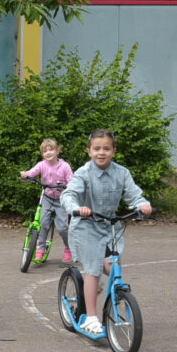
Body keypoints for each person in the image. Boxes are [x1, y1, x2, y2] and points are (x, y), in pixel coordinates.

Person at [60, 129, 153, 336]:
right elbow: (69, 194)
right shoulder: (83, 173)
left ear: (113, 151)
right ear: (89, 151)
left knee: (112, 266)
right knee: (93, 268)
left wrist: (143, 204)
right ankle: (91, 318)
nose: (101, 152)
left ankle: (106, 287)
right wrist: (76, 207)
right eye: (96, 149)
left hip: (110, 225)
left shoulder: (122, 173)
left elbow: (134, 195)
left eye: (106, 148)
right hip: (86, 225)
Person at [20, 138, 74, 262]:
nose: (48, 153)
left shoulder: (64, 166)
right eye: (45, 151)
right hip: (47, 197)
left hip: (62, 199)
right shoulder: (42, 165)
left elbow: (71, 180)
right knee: (43, 223)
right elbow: (32, 172)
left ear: (58, 151)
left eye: (51, 150)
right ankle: (41, 248)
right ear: (42, 154)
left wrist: (69, 187)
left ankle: (68, 248)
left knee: (62, 227)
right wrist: (26, 174)